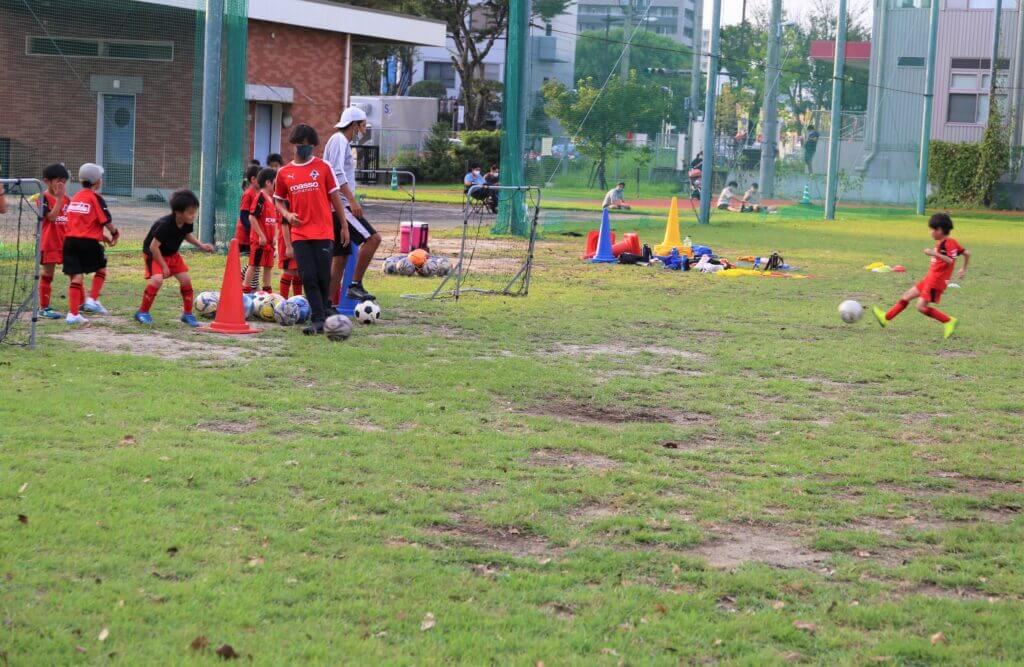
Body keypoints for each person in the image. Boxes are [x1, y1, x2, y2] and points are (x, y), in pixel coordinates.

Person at [274, 123, 347, 335]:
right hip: (300, 234)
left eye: (309, 145)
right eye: (302, 145)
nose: (306, 149)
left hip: (323, 231)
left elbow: (336, 198)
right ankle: (317, 319)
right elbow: (278, 200)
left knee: (324, 275)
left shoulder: (323, 168)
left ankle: (325, 312)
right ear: (294, 145)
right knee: (308, 276)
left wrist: (343, 225)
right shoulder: (284, 173)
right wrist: (287, 215)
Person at [872, 213, 969, 339]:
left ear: (939, 230)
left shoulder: (947, 244)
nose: (930, 232)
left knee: (921, 307)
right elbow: (967, 253)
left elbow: (950, 260)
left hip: (936, 281)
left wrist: (934, 253)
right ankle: (885, 318)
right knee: (907, 295)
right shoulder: (948, 242)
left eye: (932, 229)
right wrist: (963, 268)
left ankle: (948, 321)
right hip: (930, 278)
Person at [323, 106, 382, 304]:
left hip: (337, 204)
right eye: (363, 125)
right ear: (354, 125)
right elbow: (337, 173)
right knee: (373, 239)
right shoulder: (340, 139)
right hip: (342, 205)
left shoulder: (341, 141)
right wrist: (352, 200)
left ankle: (327, 304)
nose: (364, 130)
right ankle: (355, 285)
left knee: (340, 258)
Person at [134, 189, 214, 327]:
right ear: (178, 213)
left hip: (172, 254)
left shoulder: (186, 222)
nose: (193, 215)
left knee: (186, 280)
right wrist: (164, 266)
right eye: (190, 213)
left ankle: (187, 314)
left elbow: (187, 235)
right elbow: (153, 247)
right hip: (154, 254)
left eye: (194, 212)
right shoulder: (165, 224)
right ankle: (142, 312)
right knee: (157, 280)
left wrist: (201, 245)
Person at [62, 163, 119, 326]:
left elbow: (80, 225)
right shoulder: (96, 198)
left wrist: (101, 237)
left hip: (70, 242)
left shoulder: (76, 197)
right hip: (87, 243)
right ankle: (92, 300)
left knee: (76, 276)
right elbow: (106, 221)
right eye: (100, 177)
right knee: (101, 268)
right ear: (96, 181)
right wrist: (114, 233)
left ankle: (72, 314)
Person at [38, 163, 71, 319]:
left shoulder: (68, 199)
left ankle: (80, 303)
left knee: (75, 272)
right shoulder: (42, 197)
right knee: (47, 275)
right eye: (58, 181)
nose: (61, 184)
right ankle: (44, 308)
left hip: (65, 243)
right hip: (49, 243)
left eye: (64, 181)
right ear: (47, 181)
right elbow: (51, 218)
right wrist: (58, 199)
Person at [243, 168, 277, 295]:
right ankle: (245, 293)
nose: (277, 185)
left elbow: (276, 221)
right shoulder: (260, 198)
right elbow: (252, 217)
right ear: (268, 183)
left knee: (268, 267)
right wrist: (261, 235)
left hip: (269, 243)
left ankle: (267, 295)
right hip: (259, 242)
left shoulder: (272, 199)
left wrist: (274, 237)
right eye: (275, 182)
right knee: (254, 265)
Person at [236, 165, 260, 287]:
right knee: (255, 261)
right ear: (253, 179)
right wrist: (251, 230)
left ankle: (248, 283)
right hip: (247, 234)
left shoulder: (258, 193)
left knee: (256, 261)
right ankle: (250, 285)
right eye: (260, 178)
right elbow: (244, 215)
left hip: (254, 232)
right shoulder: (248, 193)